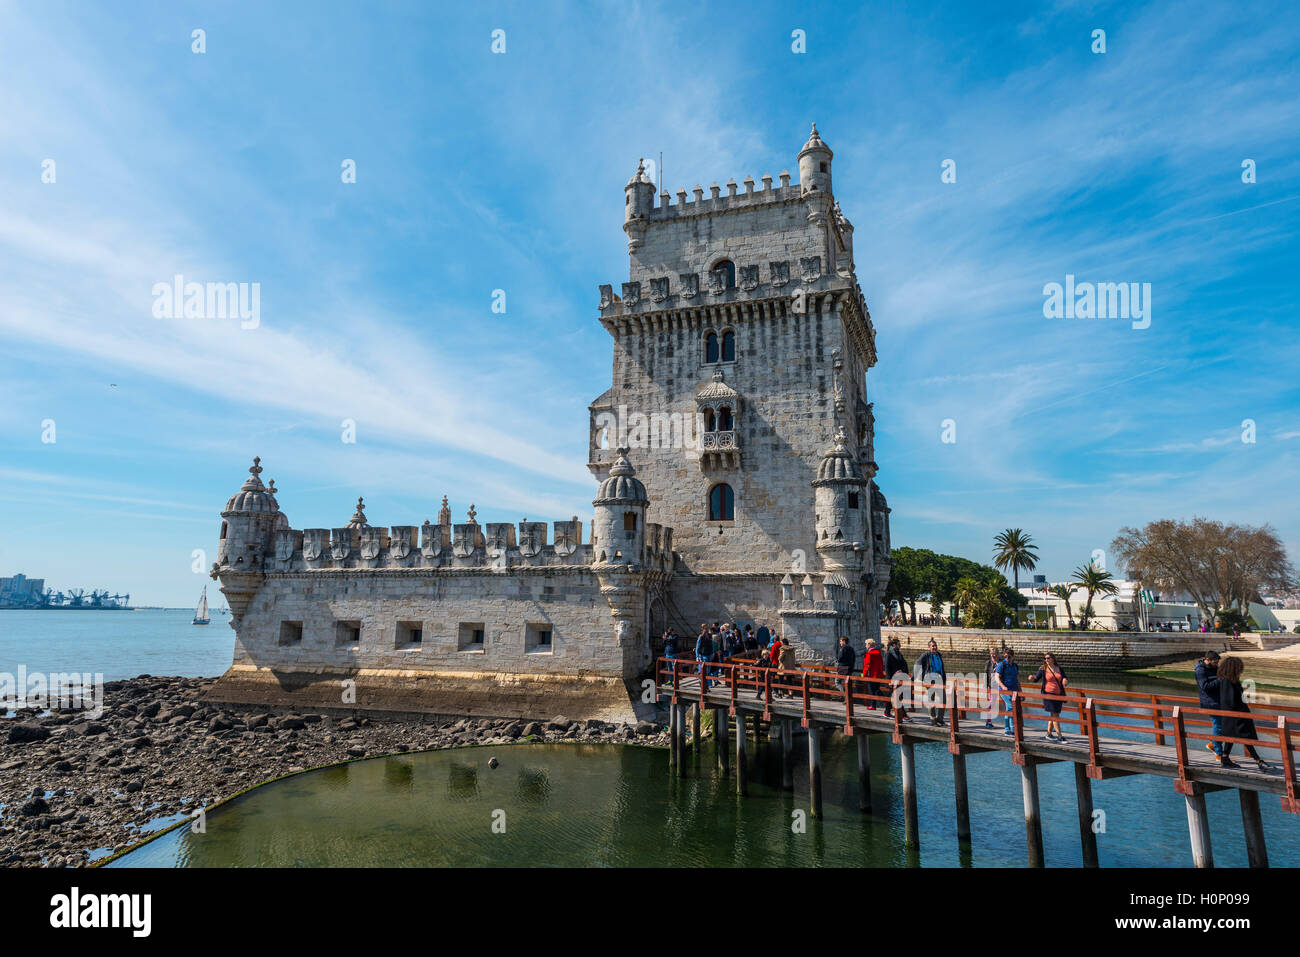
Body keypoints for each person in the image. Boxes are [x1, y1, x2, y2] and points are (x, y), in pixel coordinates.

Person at [1216, 657, 1272, 771]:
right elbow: (1230, 700)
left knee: (1232, 737)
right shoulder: (1228, 681)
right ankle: (1258, 761)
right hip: (1236, 715)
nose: (1241, 670)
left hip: (1235, 715)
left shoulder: (1230, 680)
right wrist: (1241, 706)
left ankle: (1225, 758)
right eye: (1239, 668)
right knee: (1245, 737)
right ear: (1234, 668)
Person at [1030, 653, 1069, 741]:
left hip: (1058, 694)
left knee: (1054, 714)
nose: (1046, 660)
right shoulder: (1043, 668)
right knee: (1055, 715)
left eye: (1048, 658)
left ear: (1053, 659)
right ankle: (1060, 736)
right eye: (1045, 658)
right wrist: (1032, 678)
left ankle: (1049, 734)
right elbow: (1036, 679)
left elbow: (1064, 677)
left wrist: (1065, 680)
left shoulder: (1059, 668)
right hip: (1048, 694)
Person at [1194, 651, 1222, 757]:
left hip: (1219, 701)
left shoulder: (1215, 668)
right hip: (1210, 703)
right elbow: (1205, 687)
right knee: (1218, 725)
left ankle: (1213, 744)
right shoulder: (1200, 670)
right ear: (1207, 660)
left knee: (1227, 725)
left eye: (1217, 661)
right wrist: (1220, 680)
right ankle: (1219, 754)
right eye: (1215, 661)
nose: (1217, 663)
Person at [917, 638, 947, 726]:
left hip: (939, 679)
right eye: (932, 646)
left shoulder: (939, 655)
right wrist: (919, 677)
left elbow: (942, 668)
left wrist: (944, 679)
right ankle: (933, 720)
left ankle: (940, 718)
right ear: (929, 647)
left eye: (935, 646)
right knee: (931, 700)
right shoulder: (926, 655)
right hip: (930, 680)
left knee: (943, 700)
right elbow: (917, 663)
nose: (934, 647)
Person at [993, 649, 1020, 736]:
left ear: (1013, 657)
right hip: (1004, 690)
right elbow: (997, 677)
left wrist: (1020, 691)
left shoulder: (1015, 666)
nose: (1007, 658)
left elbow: (1017, 680)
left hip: (1014, 691)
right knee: (1011, 707)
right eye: (1005, 656)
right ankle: (1012, 730)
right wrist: (1003, 686)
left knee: (1009, 708)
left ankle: (1007, 729)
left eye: (1008, 656)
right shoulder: (1002, 665)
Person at [883, 637, 909, 721]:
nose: (900, 645)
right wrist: (889, 680)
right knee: (896, 696)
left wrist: (902, 670)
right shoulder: (889, 654)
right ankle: (903, 714)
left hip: (899, 678)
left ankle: (887, 712)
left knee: (894, 696)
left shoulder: (899, 654)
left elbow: (904, 664)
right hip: (892, 679)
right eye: (899, 644)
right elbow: (887, 668)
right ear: (894, 645)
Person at [862, 638, 886, 709]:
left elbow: (867, 665)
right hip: (878, 674)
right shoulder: (878, 652)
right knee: (877, 689)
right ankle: (885, 701)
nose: (865, 646)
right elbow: (881, 663)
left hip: (872, 675)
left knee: (872, 690)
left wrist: (864, 675)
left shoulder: (869, 653)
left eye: (866, 644)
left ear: (869, 645)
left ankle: (873, 705)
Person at [983, 647, 1001, 728]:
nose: (993, 655)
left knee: (1007, 704)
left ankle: (1012, 723)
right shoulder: (988, 663)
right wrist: (985, 687)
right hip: (992, 686)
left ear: (997, 654)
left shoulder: (1001, 662)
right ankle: (988, 721)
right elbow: (985, 674)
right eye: (991, 654)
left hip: (1001, 686)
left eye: (994, 654)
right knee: (991, 703)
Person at [695, 626, 715, 690]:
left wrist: (712, 653)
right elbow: (697, 648)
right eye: (704, 629)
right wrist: (697, 657)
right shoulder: (700, 637)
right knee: (704, 670)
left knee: (708, 670)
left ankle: (707, 685)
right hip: (703, 655)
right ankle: (703, 683)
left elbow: (711, 645)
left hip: (709, 655)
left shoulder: (709, 636)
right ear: (702, 630)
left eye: (706, 629)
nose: (706, 630)